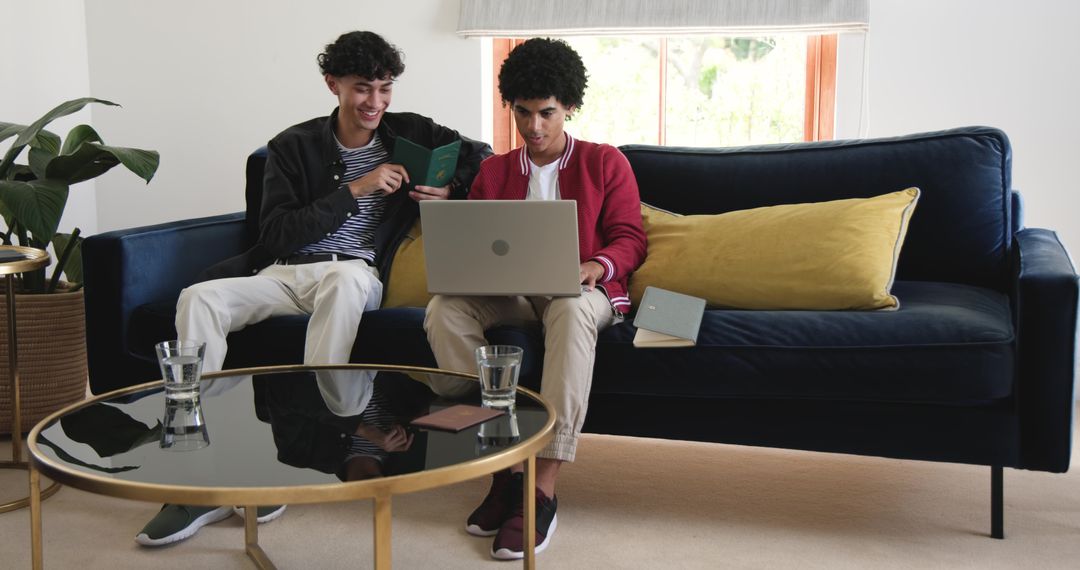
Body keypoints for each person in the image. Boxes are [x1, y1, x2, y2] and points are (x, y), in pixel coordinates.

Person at [134, 30, 491, 547]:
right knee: (199, 296)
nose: (375, 102)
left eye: (385, 88)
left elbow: (481, 155)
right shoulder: (293, 146)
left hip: (356, 274)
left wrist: (449, 188)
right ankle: (193, 434)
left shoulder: (410, 132)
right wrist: (356, 190)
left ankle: (339, 422)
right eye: (362, 88)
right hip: (284, 273)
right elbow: (276, 233)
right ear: (334, 85)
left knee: (345, 280)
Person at [423, 38, 647, 560]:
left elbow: (630, 238)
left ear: (569, 106)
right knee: (444, 310)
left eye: (546, 113)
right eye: (522, 113)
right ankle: (504, 470)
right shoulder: (494, 172)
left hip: (583, 292)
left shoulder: (604, 162)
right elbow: (476, 242)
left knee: (569, 307)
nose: (534, 127)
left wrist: (597, 264)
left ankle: (542, 487)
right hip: (514, 294)